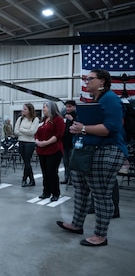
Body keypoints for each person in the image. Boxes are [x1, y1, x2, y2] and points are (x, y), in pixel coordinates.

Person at [57, 69, 127, 246]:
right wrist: (78, 128)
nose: (86, 82)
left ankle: (100, 235)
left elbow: (111, 127)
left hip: (106, 151)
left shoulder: (110, 99)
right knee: (80, 190)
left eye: (90, 79)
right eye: (86, 79)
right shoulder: (95, 101)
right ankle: (76, 224)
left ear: (102, 81)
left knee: (101, 194)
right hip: (87, 151)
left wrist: (82, 128)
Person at [35, 101, 65, 202]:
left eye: (45, 107)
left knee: (52, 172)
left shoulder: (58, 119)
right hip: (42, 150)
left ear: (51, 108)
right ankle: (46, 191)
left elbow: (59, 134)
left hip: (53, 150)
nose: (43, 109)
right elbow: (37, 133)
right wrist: (37, 141)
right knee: (45, 173)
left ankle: (55, 193)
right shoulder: (44, 120)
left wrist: (46, 142)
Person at [14, 103, 39, 187]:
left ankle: (24, 179)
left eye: (25, 109)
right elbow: (16, 131)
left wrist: (21, 130)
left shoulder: (35, 119)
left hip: (30, 143)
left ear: (29, 110)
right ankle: (32, 179)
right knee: (26, 162)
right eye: (23, 109)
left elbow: (32, 132)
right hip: (21, 142)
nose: (23, 110)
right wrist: (25, 131)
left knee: (27, 161)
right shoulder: (20, 119)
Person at [61, 100, 77, 185]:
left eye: (70, 106)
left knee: (71, 162)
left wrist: (72, 120)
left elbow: (78, 125)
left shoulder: (76, 115)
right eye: (67, 106)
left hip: (72, 142)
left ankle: (72, 179)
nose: (68, 108)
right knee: (65, 162)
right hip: (65, 142)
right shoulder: (64, 115)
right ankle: (66, 177)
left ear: (74, 107)